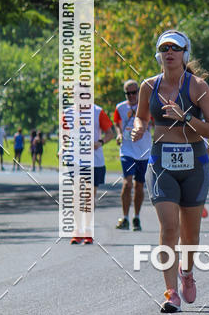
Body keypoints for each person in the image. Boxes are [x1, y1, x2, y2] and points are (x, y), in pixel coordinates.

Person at [132, 29, 209, 312]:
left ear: (185, 53)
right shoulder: (149, 86)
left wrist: (186, 117)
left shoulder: (198, 86)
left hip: (194, 163)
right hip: (161, 164)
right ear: (159, 53)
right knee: (169, 226)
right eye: (164, 48)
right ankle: (170, 292)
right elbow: (141, 118)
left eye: (175, 48)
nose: (169, 52)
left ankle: (187, 272)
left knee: (190, 234)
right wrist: (137, 128)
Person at [63, 103, 115, 244]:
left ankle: (87, 230)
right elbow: (65, 136)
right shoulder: (67, 112)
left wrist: (100, 142)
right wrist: (62, 148)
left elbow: (110, 133)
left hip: (94, 160)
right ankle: (78, 230)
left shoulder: (97, 111)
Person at [113, 79, 152, 231]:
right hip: (127, 150)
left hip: (143, 151)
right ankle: (125, 217)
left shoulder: (147, 105)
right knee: (127, 183)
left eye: (134, 92)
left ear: (139, 92)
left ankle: (136, 217)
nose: (131, 96)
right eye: (128, 93)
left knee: (139, 185)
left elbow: (155, 122)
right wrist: (119, 134)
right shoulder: (120, 107)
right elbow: (117, 122)